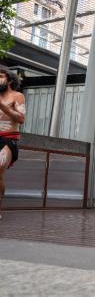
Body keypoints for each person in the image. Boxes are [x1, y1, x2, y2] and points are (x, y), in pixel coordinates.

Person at [0, 66, 26, 220]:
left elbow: (21, 119)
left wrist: (3, 107)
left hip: (9, 139)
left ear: (9, 79)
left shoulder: (17, 96)